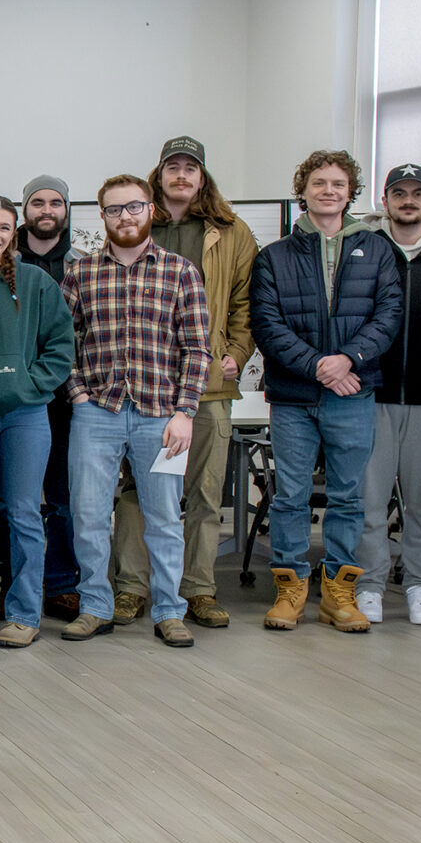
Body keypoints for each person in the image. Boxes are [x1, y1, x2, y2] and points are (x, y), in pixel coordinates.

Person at [249, 151, 401, 633]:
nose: (328, 190)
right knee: (290, 497)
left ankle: (339, 591)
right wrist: (319, 366)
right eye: (319, 182)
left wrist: (348, 360)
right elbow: (267, 326)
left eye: (338, 183)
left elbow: (388, 315)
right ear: (304, 190)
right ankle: (291, 588)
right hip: (294, 398)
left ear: (349, 191)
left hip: (353, 395)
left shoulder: (377, 250)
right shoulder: (273, 256)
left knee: (349, 497)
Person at [60, 173, 212, 648]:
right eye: (113, 209)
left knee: (164, 517)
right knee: (87, 515)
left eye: (133, 207)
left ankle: (169, 611)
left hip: (161, 417)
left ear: (151, 211)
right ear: (101, 216)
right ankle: (95, 606)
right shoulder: (81, 273)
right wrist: (77, 393)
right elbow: (63, 342)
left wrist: (185, 411)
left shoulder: (181, 272)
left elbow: (197, 349)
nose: (124, 217)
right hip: (96, 413)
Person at [109, 137, 256, 628]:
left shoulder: (231, 233)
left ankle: (197, 589)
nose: (181, 175)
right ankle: (131, 587)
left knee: (203, 493)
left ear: (202, 177)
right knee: (136, 492)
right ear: (159, 174)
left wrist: (236, 352)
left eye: (190, 168)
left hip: (208, 386)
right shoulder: (136, 224)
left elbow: (245, 304)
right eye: (172, 166)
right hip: (145, 387)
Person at [0, 196, 73, 650]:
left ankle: (24, 613)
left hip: (26, 417)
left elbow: (61, 344)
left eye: (4, 227)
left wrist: (31, 385)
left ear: (14, 232)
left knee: (24, 514)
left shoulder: (36, 282)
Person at [351, 164, 421, 626]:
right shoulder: (365, 249)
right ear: (385, 200)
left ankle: (420, 586)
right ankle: (370, 584)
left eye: (418, 193)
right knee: (369, 500)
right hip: (372, 393)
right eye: (399, 192)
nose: (408, 200)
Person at [17, 175, 83, 619]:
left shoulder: (82, 264)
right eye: (37, 202)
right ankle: (12, 583)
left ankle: (61, 583)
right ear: (24, 209)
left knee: (63, 495)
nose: (46, 209)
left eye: (55, 202)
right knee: (13, 499)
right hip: (11, 396)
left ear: (66, 210)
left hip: (66, 397)